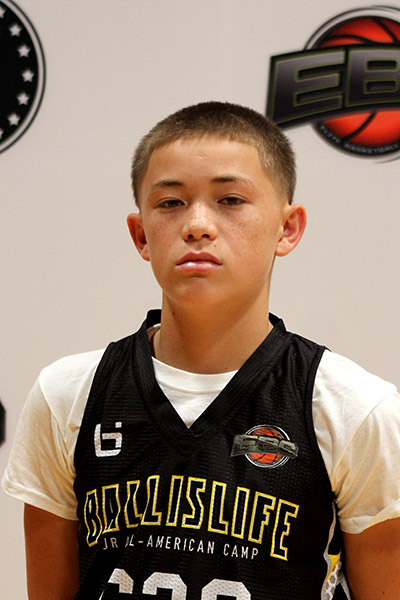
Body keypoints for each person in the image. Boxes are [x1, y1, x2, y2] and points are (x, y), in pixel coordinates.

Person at [2, 101, 400, 600]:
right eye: (170, 203)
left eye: (230, 199)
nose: (197, 225)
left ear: (287, 228)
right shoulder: (66, 396)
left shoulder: (355, 408)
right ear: (141, 235)